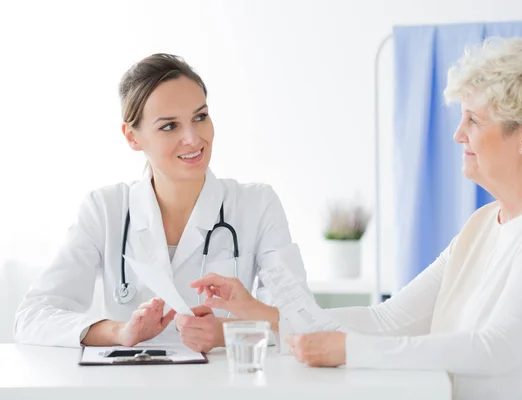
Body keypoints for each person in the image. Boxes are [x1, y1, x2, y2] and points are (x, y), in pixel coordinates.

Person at [191, 38, 522, 399]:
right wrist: (261, 313)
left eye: (473, 120)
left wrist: (349, 351)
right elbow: (387, 320)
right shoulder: (484, 223)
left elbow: (497, 347)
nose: (459, 134)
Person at [13, 53, 309, 352]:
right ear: (132, 137)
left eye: (200, 117)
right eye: (169, 126)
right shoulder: (105, 209)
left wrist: (229, 333)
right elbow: (32, 318)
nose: (193, 139)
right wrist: (121, 332)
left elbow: (303, 322)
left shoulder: (256, 204)